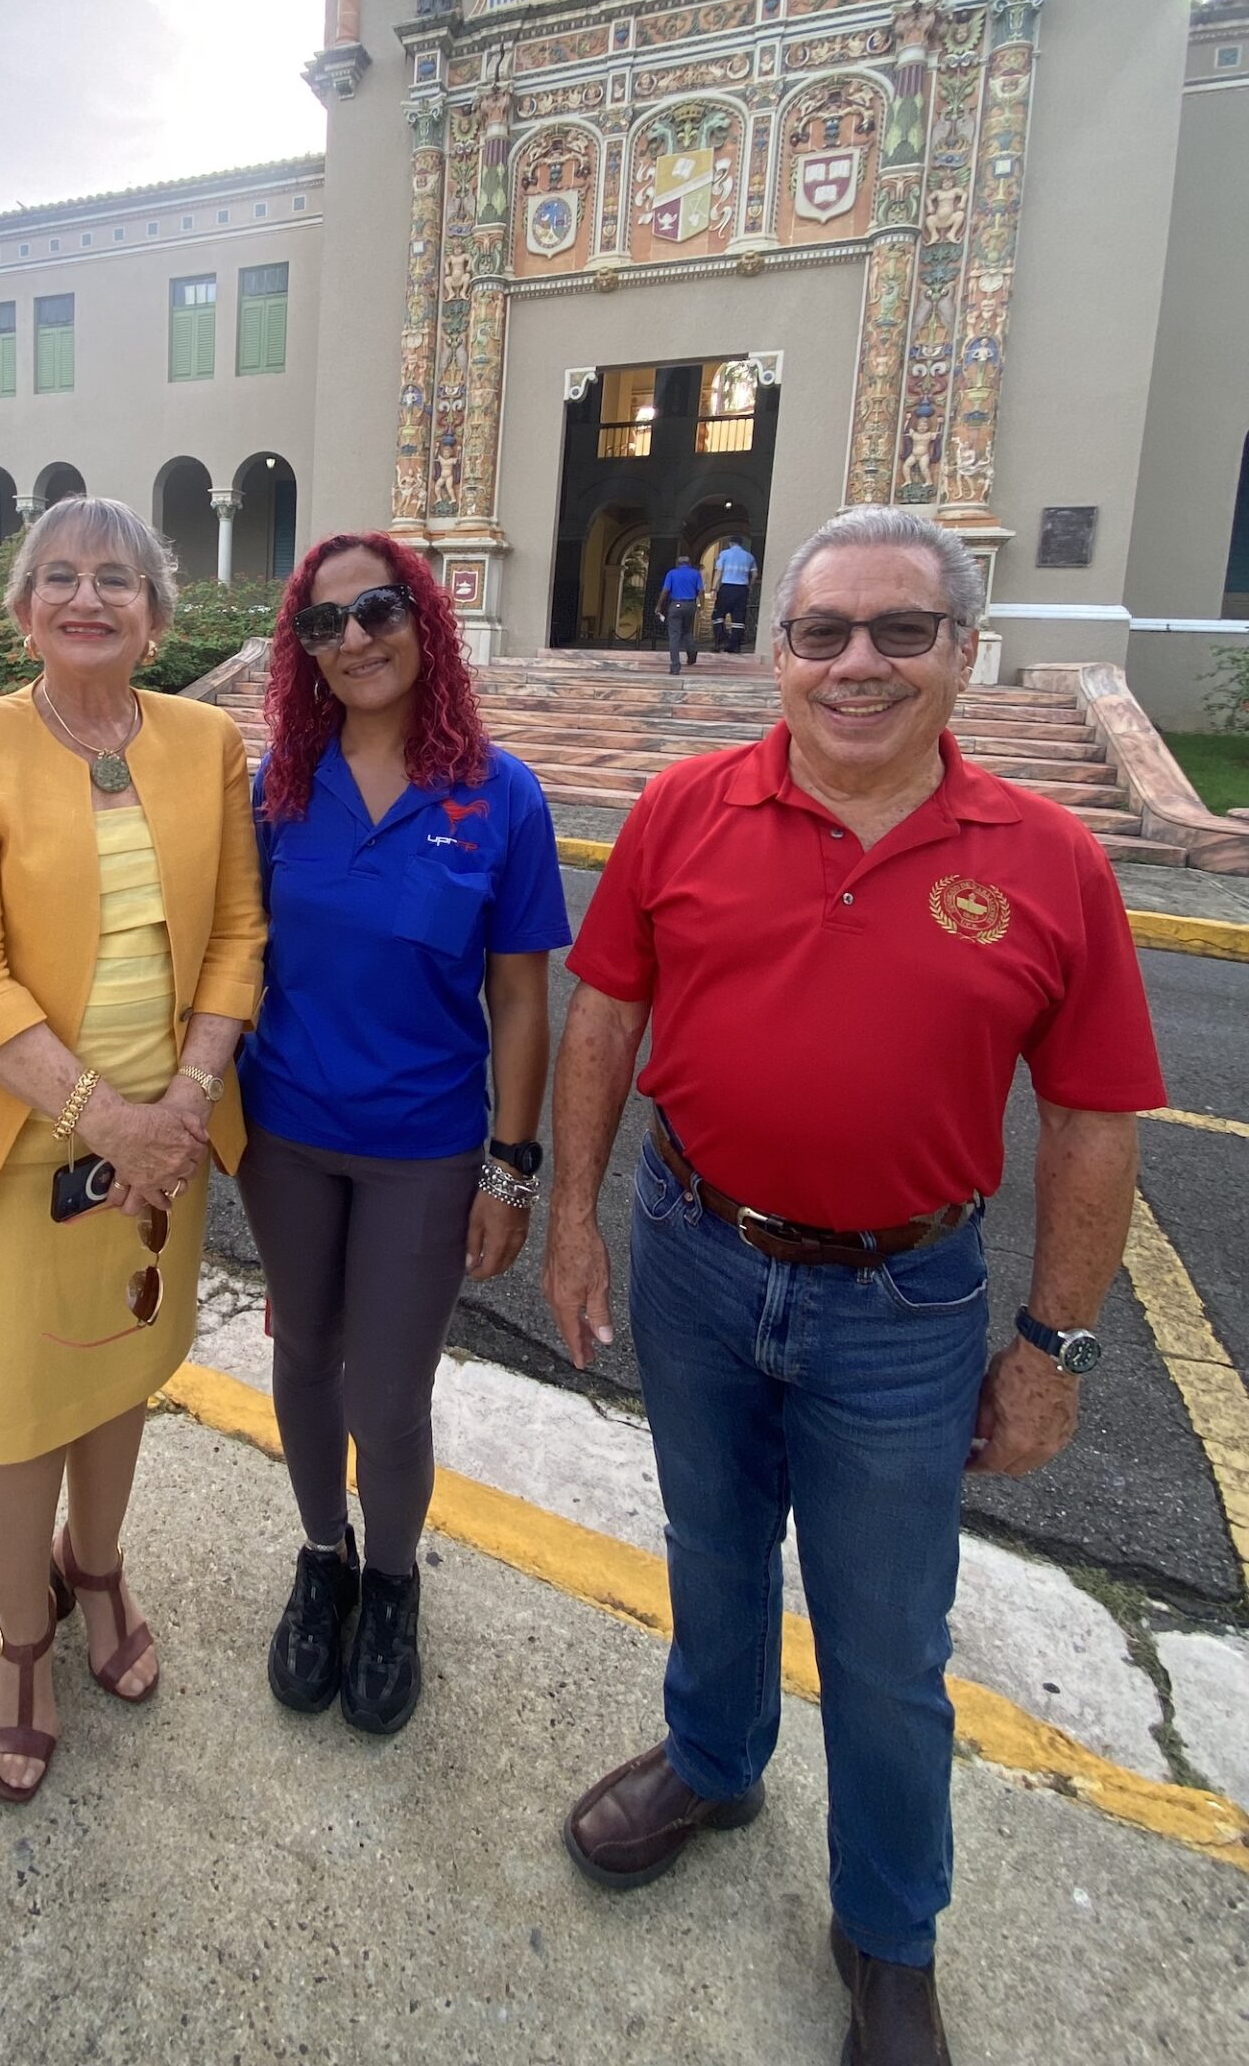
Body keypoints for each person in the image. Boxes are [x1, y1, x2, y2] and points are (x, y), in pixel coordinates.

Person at [541, 505, 1163, 2066]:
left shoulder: (1050, 858)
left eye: (900, 632)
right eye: (823, 633)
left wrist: (1056, 1345)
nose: (858, 664)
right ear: (781, 652)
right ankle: (713, 1759)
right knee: (714, 1546)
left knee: (888, 1643)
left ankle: (888, 1933)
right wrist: (573, 1218)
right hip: (694, 1257)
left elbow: (1092, 1116)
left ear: (963, 652)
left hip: (904, 1306)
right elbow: (606, 1014)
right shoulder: (684, 808)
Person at [0, 496, 264, 1804]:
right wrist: (115, 1124)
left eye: (120, 580)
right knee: (7, 1404)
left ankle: (98, 1568)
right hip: (17, 1141)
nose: (90, 598)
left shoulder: (206, 743)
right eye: (63, 578)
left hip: (165, 1143)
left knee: (120, 1367)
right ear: (24, 609)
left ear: (155, 616)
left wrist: (184, 1102)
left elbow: (242, 935)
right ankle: (21, 1643)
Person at [237, 534, 571, 1735]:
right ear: (304, 655)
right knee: (301, 1353)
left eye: (376, 610)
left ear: (422, 619)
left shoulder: (498, 792)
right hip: (286, 1132)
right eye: (323, 625)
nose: (355, 639)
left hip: (425, 1147)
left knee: (389, 1389)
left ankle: (391, 1578)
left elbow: (521, 995)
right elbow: (233, 953)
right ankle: (321, 1555)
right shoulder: (277, 784)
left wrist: (512, 1168)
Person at [657, 549, 702, 673]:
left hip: (675, 604)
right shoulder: (695, 573)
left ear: (677, 564)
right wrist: (700, 605)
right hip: (690, 605)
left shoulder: (672, 573)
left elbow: (665, 590)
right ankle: (692, 654)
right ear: (690, 563)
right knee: (687, 631)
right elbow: (700, 591)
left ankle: (675, 666)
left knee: (674, 636)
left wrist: (659, 605)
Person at [711, 530, 757, 653]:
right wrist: (750, 586)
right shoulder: (749, 556)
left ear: (730, 543)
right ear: (741, 544)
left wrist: (714, 588)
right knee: (738, 619)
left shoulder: (724, 554)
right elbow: (754, 574)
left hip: (727, 588)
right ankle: (734, 645)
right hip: (742, 589)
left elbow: (719, 571)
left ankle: (721, 640)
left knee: (718, 615)